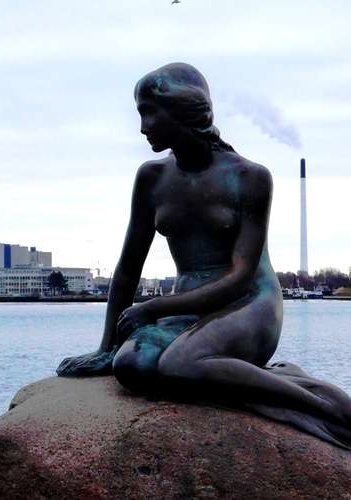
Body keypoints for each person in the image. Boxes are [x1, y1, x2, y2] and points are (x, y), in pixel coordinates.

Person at [57, 63, 351, 448]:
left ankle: (325, 409)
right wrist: (105, 347)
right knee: (130, 364)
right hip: (188, 309)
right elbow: (128, 269)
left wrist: (155, 308)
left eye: (149, 112)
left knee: (179, 364)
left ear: (183, 110)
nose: (143, 127)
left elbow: (240, 276)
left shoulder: (249, 177)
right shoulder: (152, 178)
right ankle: (245, 375)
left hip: (249, 304)